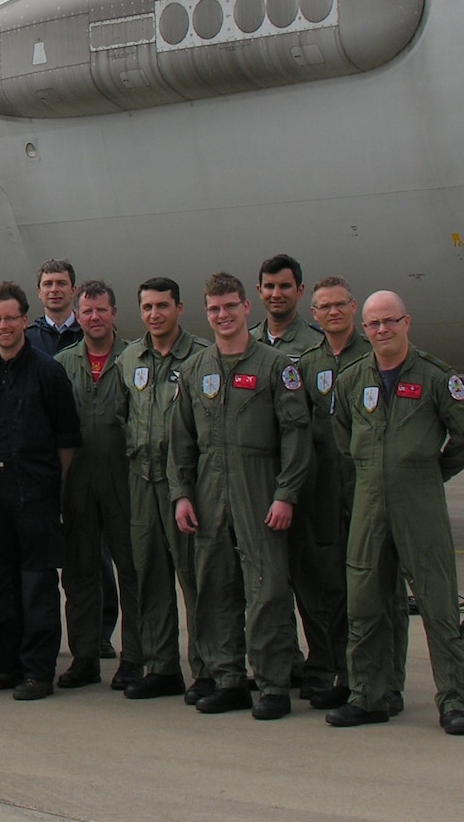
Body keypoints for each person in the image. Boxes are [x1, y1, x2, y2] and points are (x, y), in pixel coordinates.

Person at [328, 291, 464, 735]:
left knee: (437, 603)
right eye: (373, 324)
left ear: (406, 322)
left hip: (420, 506)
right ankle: (369, 695)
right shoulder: (354, 379)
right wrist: (376, 470)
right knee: (365, 603)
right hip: (370, 503)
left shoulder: (435, 377)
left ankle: (453, 700)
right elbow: (344, 436)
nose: (381, 331)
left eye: (389, 322)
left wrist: (426, 474)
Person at [168, 274, 313, 718]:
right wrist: (182, 495)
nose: (223, 315)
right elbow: (181, 440)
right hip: (210, 490)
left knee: (267, 588)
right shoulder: (195, 370)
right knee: (215, 586)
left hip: (259, 487)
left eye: (231, 306)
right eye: (214, 309)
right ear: (205, 312)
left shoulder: (275, 367)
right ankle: (228, 678)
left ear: (246, 308)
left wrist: (286, 493)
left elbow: (296, 433)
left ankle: (272, 684)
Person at [0, 283, 79, 700]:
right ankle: (8, 663)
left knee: (36, 585)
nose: (3, 326)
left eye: (10, 318)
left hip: (34, 493)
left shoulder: (48, 372)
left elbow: (67, 440)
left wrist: (50, 484)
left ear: (24, 320)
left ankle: (38, 670)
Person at [115, 278, 211, 702]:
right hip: (142, 479)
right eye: (148, 307)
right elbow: (123, 413)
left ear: (179, 308)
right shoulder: (129, 357)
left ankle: (209, 667)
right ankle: (162, 667)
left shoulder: (202, 356)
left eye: (163, 306)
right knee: (149, 575)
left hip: (184, 482)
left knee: (196, 578)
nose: (155, 314)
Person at [57, 279, 140, 691]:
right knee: (80, 571)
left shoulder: (134, 359)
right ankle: (85, 656)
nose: (94, 317)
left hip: (124, 479)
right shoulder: (63, 363)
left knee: (132, 569)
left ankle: (135, 657)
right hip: (77, 478)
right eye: (87, 311)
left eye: (102, 310)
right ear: (77, 316)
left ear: (114, 313)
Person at [290, 277, 368, 708]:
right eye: (325, 307)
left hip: (362, 486)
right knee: (320, 584)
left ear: (352, 308)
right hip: (321, 487)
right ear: (315, 315)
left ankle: (364, 673)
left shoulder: (372, 359)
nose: (333, 312)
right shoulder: (307, 364)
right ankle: (323, 665)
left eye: (340, 305)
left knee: (365, 584)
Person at [253, 255, 320, 352]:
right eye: (270, 286)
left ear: (299, 291)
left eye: (284, 286)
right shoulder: (246, 342)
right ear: (259, 291)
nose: (276, 295)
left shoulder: (318, 343)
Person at [27, 260, 81, 358]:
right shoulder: (28, 338)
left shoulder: (87, 332)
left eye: (61, 284)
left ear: (73, 290)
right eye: (48, 284)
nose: (54, 290)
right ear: (39, 292)